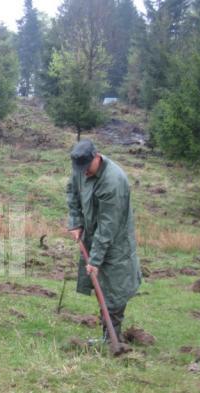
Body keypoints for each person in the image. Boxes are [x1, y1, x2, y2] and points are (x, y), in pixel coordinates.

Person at [66, 139, 141, 342]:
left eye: (87, 168)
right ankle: (109, 336)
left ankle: (112, 339)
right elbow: (72, 193)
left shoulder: (113, 182)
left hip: (116, 242)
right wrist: (75, 222)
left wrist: (95, 260)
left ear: (97, 157)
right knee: (101, 286)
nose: (84, 173)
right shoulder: (80, 169)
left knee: (114, 289)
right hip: (93, 234)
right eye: (80, 169)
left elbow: (108, 226)